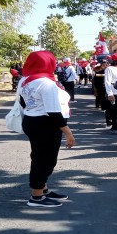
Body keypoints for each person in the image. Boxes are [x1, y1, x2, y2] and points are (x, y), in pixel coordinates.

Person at [18, 50, 76, 208]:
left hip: (32, 121)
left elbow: (22, 102)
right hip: (46, 124)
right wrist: (68, 132)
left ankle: (43, 190)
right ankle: (36, 197)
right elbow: (53, 111)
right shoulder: (47, 83)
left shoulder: (25, 80)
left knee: (40, 157)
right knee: (44, 160)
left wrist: (34, 109)